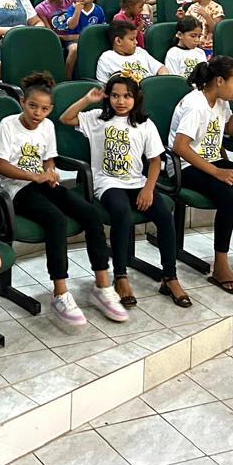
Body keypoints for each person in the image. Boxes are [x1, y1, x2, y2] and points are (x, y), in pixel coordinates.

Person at [0, 71, 124, 324]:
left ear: (50, 109)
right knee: (56, 219)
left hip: (42, 183)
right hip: (16, 189)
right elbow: (1, 166)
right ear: (22, 102)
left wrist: (49, 171)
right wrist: (34, 176)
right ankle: (60, 292)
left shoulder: (48, 126)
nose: (37, 113)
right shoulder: (8, 125)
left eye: (44, 109)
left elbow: (48, 158)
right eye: (32, 106)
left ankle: (102, 285)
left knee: (91, 214)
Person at [59, 74, 190, 308]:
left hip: (137, 182)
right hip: (107, 182)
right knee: (121, 212)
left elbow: (155, 161)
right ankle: (120, 276)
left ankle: (170, 277)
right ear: (108, 97)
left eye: (127, 96)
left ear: (136, 98)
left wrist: (148, 189)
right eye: (115, 96)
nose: (121, 101)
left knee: (163, 215)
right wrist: (87, 99)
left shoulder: (144, 124)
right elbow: (65, 118)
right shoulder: (97, 118)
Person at [169, 56, 233, 295]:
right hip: (185, 166)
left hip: (212, 159)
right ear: (219, 81)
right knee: (228, 198)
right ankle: (221, 267)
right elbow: (180, 147)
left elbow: (231, 131)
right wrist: (217, 172)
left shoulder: (221, 101)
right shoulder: (195, 104)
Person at [96, 21, 168, 84]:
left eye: (136, 38)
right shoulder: (107, 58)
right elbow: (103, 87)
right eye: (132, 39)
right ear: (118, 41)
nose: (136, 42)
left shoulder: (140, 52)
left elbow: (161, 68)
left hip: (150, 88)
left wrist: (163, 80)